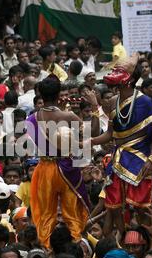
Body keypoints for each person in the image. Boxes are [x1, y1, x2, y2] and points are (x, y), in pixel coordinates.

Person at [92, 53, 152, 234]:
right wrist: (88, 141)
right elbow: (110, 134)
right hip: (118, 159)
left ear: (130, 79)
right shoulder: (112, 102)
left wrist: (151, 160)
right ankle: (122, 240)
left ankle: (147, 239)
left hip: (140, 160)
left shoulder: (145, 102)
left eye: (120, 71)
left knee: (141, 208)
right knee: (114, 207)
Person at [26, 76, 99, 248]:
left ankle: (46, 249)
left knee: (45, 214)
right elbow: (93, 133)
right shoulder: (68, 116)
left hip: (45, 169)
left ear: (39, 95)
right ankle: (76, 244)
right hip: (68, 168)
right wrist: (95, 107)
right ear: (59, 94)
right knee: (72, 213)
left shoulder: (31, 119)